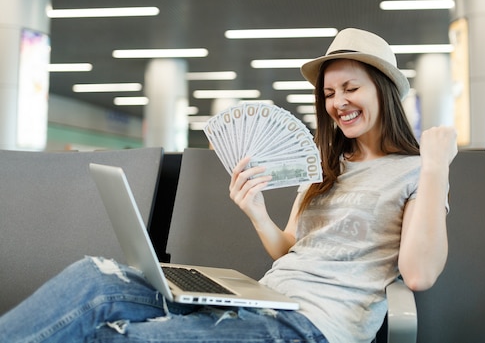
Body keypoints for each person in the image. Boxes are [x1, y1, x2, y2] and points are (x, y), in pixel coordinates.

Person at [0, 27, 457, 343]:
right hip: (262, 301)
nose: (338, 103)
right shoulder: (326, 165)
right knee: (93, 278)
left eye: (350, 88)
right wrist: (257, 212)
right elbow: (290, 250)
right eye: (329, 93)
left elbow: (418, 274)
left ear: (383, 90)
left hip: (310, 327)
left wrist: (435, 167)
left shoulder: (416, 172)